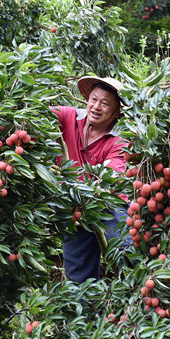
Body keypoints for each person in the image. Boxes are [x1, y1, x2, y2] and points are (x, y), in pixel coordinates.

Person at [50, 76, 131, 283]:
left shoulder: (119, 139)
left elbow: (109, 177)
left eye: (105, 104)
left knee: (127, 254)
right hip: (75, 209)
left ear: (117, 111)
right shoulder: (68, 117)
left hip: (108, 204)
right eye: (94, 100)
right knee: (78, 277)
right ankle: (85, 309)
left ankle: (138, 293)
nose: (96, 107)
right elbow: (37, 114)